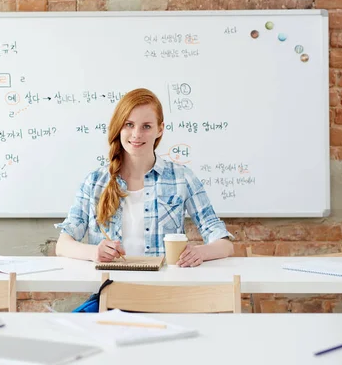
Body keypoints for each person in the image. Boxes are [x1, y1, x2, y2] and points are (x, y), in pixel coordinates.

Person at [55, 88, 233, 267]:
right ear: (119, 126)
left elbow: (224, 244)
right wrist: (94, 252)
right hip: (111, 288)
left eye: (146, 126)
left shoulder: (182, 178)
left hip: (163, 290)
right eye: (129, 124)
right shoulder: (95, 182)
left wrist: (199, 252)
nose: (136, 134)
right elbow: (63, 245)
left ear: (160, 129)